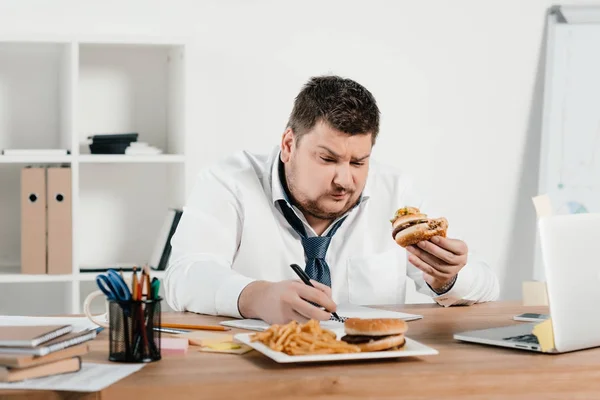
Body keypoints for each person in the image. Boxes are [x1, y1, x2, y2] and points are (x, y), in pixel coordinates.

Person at [165, 75, 499, 324]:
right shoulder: (229, 181)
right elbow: (182, 276)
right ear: (288, 144)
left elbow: (487, 284)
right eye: (327, 159)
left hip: (369, 373)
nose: (345, 180)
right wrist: (255, 297)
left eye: (358, 162)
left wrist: (446, 279)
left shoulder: (397, 192)